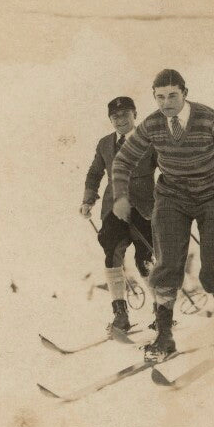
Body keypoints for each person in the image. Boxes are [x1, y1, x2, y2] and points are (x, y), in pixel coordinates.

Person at [112, 70, 214, 361]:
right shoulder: (152, 124)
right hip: (172, 197)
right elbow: (123, 160)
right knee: (167, 261)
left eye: (172, 95)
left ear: (185, 93)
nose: (166, 102)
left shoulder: (208, 118)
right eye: (160, 97)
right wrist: (120, 195)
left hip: (213, 194)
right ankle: (164, 336)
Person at [80, 97, 156, 334]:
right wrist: (88, 200)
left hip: (144, 208)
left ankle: (162, 310)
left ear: (135, 115)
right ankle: (120, 314)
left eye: (125, 115)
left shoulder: (150, 140)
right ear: (110, 119)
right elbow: (95, 173)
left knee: (145, 258)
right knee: (112, 254)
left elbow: (167, 167)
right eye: (115, 117)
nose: (120, 120)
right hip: (113, 208)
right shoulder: (105, 144)